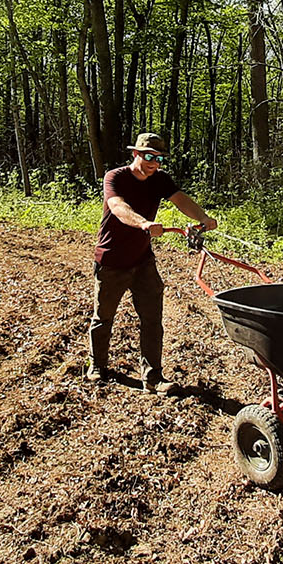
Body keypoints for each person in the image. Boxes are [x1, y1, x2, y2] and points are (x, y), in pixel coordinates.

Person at [88, 132, 217, 393]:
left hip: (143, 260)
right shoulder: (115, 177)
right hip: (112, 260)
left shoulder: (159, 180)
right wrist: (144, 223)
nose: (154, 163)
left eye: (158, 158)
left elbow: (180, 200)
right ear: (135, 154)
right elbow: (117, 206)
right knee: (104, 317)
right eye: (148, 156)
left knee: (152, 319)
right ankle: (97, 365)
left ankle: (153, 376)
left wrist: (203, 217)